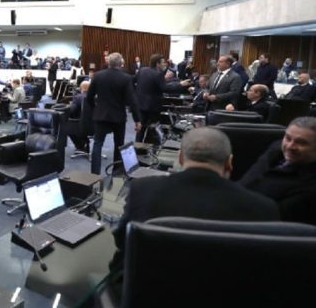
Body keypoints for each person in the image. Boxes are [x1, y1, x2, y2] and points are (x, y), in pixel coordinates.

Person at [110, 128, 279, 271]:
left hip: (148, 294)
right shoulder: (264, 209)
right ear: (229, 162)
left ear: (181, 158)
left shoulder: (142, 188)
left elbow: (121, 240)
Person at [239, 117, 316, 225]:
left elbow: (272, 216)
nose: (290, 146)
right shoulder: (275, 149)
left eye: (301, 143)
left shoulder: (311, 187)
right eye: (288, 138)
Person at [86, 53, 141, 175]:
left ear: (108, 63)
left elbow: (89, 97)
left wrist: (95, 109)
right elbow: (132, 101)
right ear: (121, 63)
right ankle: (116, 173)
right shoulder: (126, 78)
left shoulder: (98, 75)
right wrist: (137, 120)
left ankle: (94, 175)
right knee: (119, 144)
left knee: (97, 144)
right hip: (118, 116)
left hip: (100, 115)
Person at [135, 54, 168, 142]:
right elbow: (164, 88)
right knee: (152, 128)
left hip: (141, 104)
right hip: (153, 106)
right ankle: (146, 148)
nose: (164, 64)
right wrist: (180, 85)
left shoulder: (142, 70)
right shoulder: (159, 74)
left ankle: (138, 147)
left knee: (141, 127)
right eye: (163, 62)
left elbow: (133, 80)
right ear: (157, 64)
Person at [67, 81, 91, 153]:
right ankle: (84, 143)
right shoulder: (96, 97)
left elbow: (71, 111)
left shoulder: (78, 97)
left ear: (80, 88)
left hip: (80, 125)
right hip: (95, 126)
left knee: (66, 125)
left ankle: (80, 145)